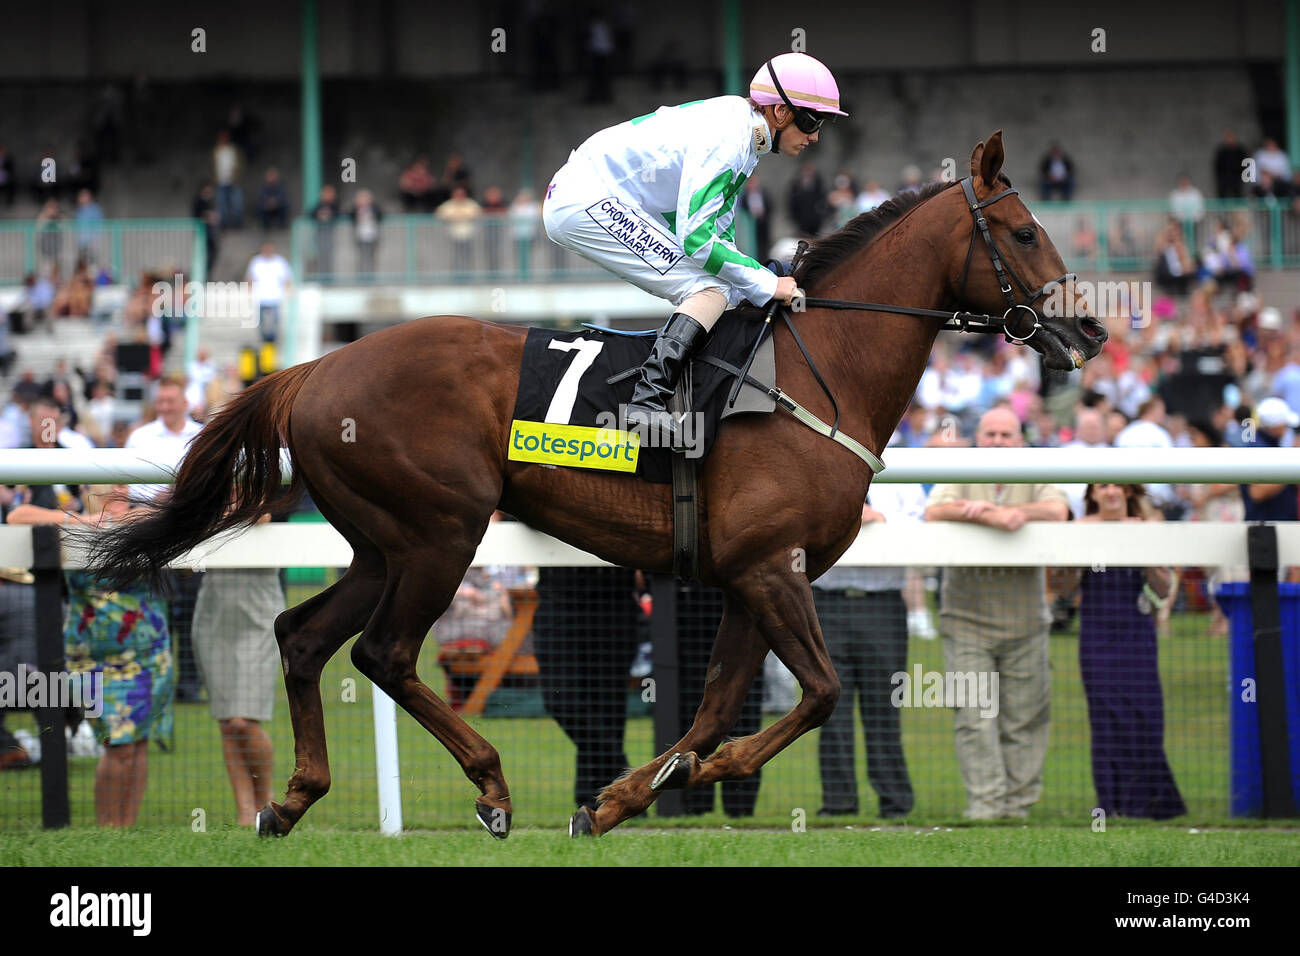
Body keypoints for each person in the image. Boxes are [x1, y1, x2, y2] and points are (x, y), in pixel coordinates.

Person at [541, 52, 845, 446]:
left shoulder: (742, 132)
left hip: (596, 195)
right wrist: (768, 285)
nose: (816, 135)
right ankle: (645, 403)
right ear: (781, 112)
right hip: (584, 199)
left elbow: (718, 233)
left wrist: (757, 277)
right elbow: (698, 240)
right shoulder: (729, 137)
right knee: (710, 289)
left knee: (726, 286)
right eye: (812, 121)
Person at [924, 406, 1070, 819]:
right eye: (989, 434)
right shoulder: (963, 468)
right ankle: (985, 805)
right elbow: (935, 510)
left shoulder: (1036, 470)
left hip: (1026, 618)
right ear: (977, 438)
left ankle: (1018, 807)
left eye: (1006, 435)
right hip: (966, 618)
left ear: (1020, 439)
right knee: (974, 717)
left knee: (1025, 717)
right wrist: (989, 514)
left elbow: (1058, 510)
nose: (997, 442)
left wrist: (1018, 514)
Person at [7, 484, 174, 826]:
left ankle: (126, 830)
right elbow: (16, 515)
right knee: (116, 743)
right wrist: (77, 519)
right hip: (93, 660)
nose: (119, 487)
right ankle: (107, 830)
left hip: (150, 653)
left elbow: (167, 513)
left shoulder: (143, 519)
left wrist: (121, 518)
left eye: (124, 481)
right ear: (85, 488)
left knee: (138, 742)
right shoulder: (71, 522)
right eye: (108, 481)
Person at [1052, 484, 1186, 820]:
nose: (1110, 492)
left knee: (1145, 713)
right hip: (1096, 631)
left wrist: (1148, 557)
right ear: (1092, 495)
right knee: (1106, 716)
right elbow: (1064, 589)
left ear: (1127, 492)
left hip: (1136, 629)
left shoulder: (1145, 528)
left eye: (1116, 486)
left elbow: (1163, 586)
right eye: (1102, 486)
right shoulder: (1079, 529)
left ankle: (1152, 803)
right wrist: (1073, 564)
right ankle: (1112, 803)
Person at [813, 483, 926, 819]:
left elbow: (921, 526)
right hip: (826, 605)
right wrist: (849, 514)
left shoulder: (906, 477)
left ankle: (895, 804)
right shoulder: (823, 466)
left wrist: (879, 517)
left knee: (884, 709)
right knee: (828, 707)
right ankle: (838, 805)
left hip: (883, 606)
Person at [192, 511, 283, 826]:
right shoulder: (209, 489)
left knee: (244, 721)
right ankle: (246, 814)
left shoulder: (274, 478)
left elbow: (264, 514)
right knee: (227, 722)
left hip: (257, 613)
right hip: (213, 611)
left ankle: (265, 800)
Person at [533, 565, 640, 810]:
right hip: (558, 601)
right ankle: (624, 780)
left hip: (614, 602)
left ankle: (597, 802)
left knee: (607, 708)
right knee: (560, 700)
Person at [246, 242, 292, 344]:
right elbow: (250, 277)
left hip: (275, 296)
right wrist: (249, 291)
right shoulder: (256, 261)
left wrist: (288, 291)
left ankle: (273, 339)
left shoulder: (280, 262)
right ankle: (264, 339)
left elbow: (286, 278)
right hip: (261, 296)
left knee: (275, 320)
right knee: (261, 321)